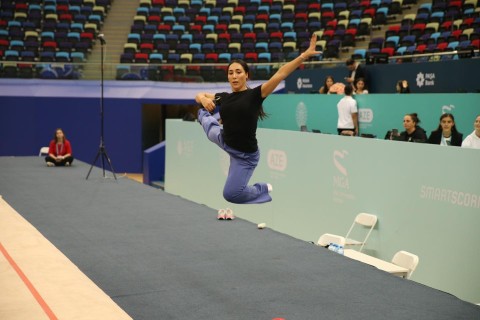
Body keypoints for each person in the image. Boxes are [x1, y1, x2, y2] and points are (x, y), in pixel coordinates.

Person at [195, 35, 321, 205]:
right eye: (230, 73)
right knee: (208, 126)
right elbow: (199, 95)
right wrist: (203, 100)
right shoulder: (224, 97)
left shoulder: (255, 95)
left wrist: (304, 55)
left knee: (231, 194)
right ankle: (202, 115)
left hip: (245, 156)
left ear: (246, 75)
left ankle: (261, 189)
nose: (234, 76)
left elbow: (280, 74)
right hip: (224, 139)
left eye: (238, 72)